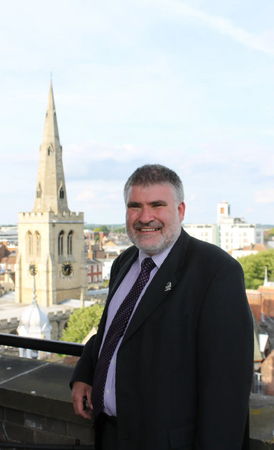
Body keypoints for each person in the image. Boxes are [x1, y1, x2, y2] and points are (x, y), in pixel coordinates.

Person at [70, 164, 253, 450]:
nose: (145, 217)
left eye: (157, 205)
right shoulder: (124, 262)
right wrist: (84, 372)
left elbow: (227, 392)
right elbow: (115, 330)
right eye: (135, 206)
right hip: (110, 435)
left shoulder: (217, 272)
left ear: (180, 211)